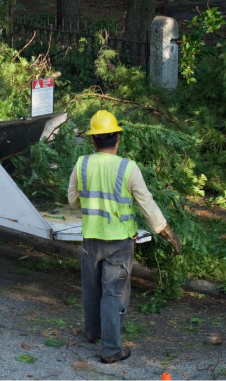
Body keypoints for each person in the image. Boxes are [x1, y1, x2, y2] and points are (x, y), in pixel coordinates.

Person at [68, 110, 182, 364]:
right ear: (117, 139)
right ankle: (110, 350)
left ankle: (93, 334)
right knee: (113, 293)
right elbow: (147, 205)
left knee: (91, 290)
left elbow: (73, 201)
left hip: (91, 240)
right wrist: (168, 234)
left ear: (93, 140)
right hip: (119, 243)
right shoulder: (128, 168)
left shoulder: (82, 164)